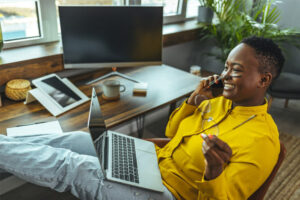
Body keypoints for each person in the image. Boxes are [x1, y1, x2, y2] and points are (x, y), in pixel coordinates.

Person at [0, 36, 284, 200]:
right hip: (152, 161)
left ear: (263, 79)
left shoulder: (261, 141)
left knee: (73, 166)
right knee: (75, 139)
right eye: (225, 67)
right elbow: (173, 135)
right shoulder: (220, 102)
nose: (223, 76)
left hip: (171, 193)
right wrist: (190, 103)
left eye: (234, 70)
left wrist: (213, 172)